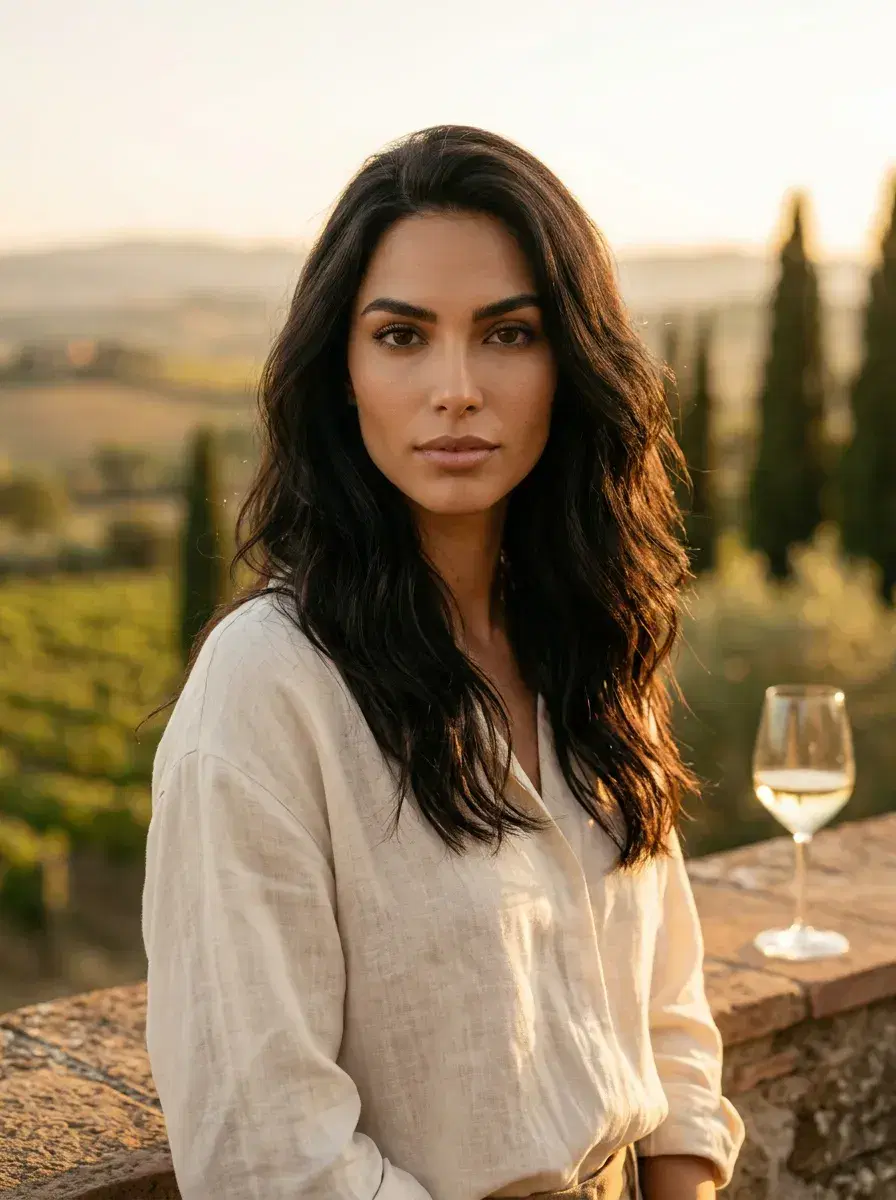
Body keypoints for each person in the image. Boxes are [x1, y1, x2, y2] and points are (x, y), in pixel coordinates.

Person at [141, 124, 745, 1200]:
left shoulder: (592, 642)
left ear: (569, 363)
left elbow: (662, 999)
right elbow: (264, 1148)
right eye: (402, 336)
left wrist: (686, 1176)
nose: (456, 387)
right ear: (342, 372)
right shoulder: (270, 688)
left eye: (507, 334)